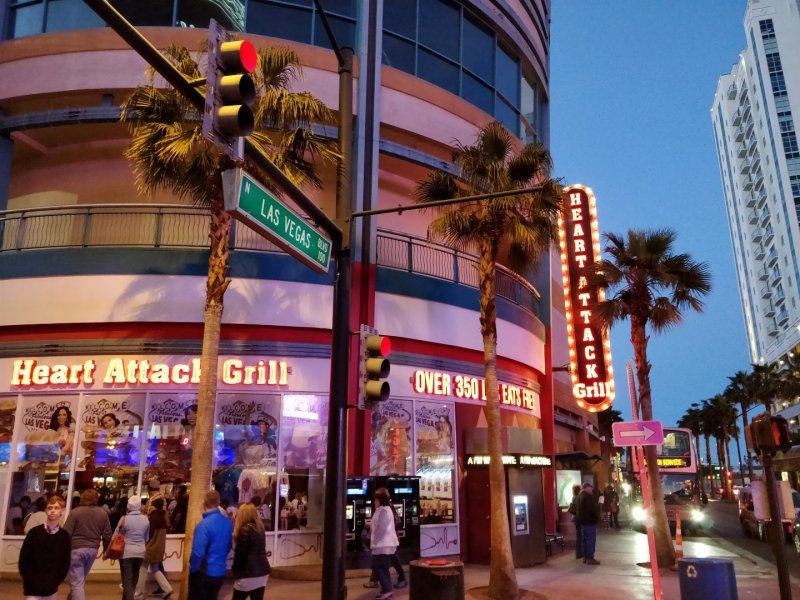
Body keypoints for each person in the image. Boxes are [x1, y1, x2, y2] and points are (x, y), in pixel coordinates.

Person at [19, 495, 71, 600]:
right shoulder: (34, 533)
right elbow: (24, 559)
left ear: (63, 511)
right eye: (50, 507)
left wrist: (56, 581)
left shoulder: (64, 536)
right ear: (46, 510)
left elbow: (65, 562)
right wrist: (28, 578)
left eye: (56, 508)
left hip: (51, 587)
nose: (52, 511)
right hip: (32, 586)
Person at [64, 489, 112, 600]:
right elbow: (107, 535)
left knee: (77, 583)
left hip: (76, 549)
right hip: (93, 550)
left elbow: (66, 533)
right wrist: (106, 550)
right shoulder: (103, 513)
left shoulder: (75, 512)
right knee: (80, 581)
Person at [188, 490, 233, 600]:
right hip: (220, 571)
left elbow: (198, 553)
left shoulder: (203, 525)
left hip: (203, 572)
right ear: (218, 503)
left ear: (204, 503)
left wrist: (193, 569)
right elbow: (228, 546)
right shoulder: (227, 523)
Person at [108, 495, 149, 600]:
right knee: (134, 579)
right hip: (140, 552)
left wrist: (107, 551)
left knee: (127, 581)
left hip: (126, 553)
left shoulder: (124, 519)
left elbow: (115, 536)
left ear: (128, 507)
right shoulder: (146, 519)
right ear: (140, 506)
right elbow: (146, 538)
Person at [364, 495, 406, 590]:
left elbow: (394, 521)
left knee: (388, 560)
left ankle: (400, 579)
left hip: (388, 540)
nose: (375, 501)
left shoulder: (387, 508)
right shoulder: (383, 508)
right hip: (388, 541)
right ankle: (376, 580)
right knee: (382, 560)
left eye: (376, 499)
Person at [231, 503, 271, 600]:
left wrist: (235, 572)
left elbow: (240, 556)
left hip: (248, 574)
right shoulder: (260, 528)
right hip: (262, 572)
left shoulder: (245, 529)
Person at [136, 497, 172, 600]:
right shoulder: (164, 517)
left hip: (150, 548)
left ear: (154, 506)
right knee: (155, 569)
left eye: (151, 505)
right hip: (159, 548)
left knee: (142, 569)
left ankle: (138, 594)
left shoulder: (153, 518)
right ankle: (167, 588)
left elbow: (149, 534)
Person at [370, 487, 400, 600]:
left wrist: (374, 542)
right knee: (382, 567)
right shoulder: (383, 510)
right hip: (384, 545)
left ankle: (387, 590)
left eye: (376, 499)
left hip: (382, 545)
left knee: (377, 566)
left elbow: (381, 529)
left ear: (380, 500)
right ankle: (387, 591)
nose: (374, 501)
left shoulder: (384, 511)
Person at [576, 482, 601, 565]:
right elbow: (592, 509)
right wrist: (598, 509)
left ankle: (585, 558)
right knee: (590, 540)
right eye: (591, 488)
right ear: (587, 488)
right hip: (589, 522)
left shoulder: (580, 496)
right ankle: (590, 558)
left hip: (583, 522)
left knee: (585, 540)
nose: (592, 490)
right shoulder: (587, 497)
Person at [567, 484, 582, 559]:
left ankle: (579, 553)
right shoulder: (578, 497)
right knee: (580, 536)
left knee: (578, 535)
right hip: (578, 518)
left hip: (575, 518)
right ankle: (579, 553)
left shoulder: (574, 496)